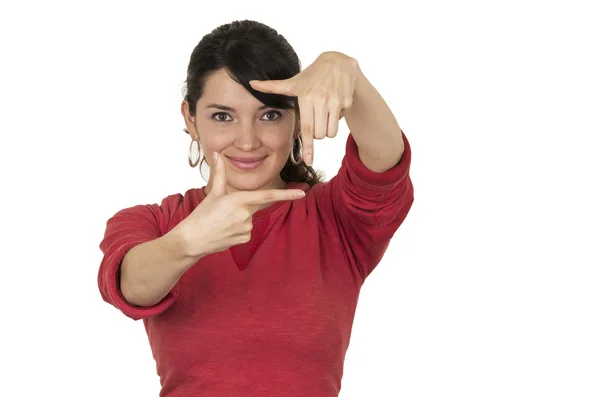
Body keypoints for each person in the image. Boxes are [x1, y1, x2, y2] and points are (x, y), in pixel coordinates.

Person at [97, 19, 414, 397]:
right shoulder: (155, 222)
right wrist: (187, 243)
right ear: (191, 119)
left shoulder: (336, 218)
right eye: (222, 116)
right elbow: (129, 286)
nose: (247, 141)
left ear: (297, 119)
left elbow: (384, 160)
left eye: (270, 115)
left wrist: (349, 74)